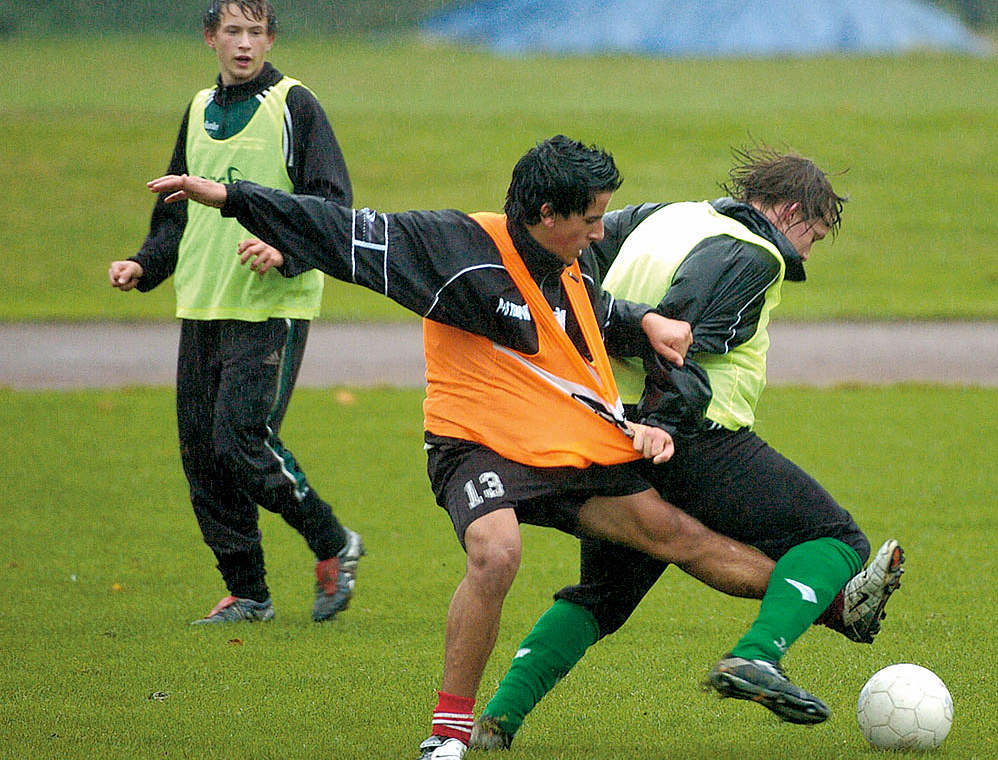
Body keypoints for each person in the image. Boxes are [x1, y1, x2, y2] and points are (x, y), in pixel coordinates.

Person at [143, 135, 801, 760]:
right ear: (547, 213)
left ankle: (826, 599)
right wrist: (232, 198)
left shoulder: (567, 263)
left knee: (675, 534)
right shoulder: (459, 247)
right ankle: (449, 733)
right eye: (592, 220)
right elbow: (342, 230)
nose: (603, 233)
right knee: (497, 553)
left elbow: (590, 313)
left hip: (564, 439)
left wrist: (644, 319)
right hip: (476, 444)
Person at [471, 147, 906, 745]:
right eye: (816, 234)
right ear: (792, 210)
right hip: (689, 436)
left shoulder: (662, 216)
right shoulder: (753, 256)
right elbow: (678, 342)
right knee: (835, 540)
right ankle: (758, 656)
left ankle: (497, 720)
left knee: (604, 594)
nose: (807, 252)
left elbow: (576, 281)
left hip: (606, 430)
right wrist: (669, 429)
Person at [108, 0, 363, 625]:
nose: (244, 44)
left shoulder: (294, 106)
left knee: (240, 439)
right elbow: (174, 207)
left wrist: (284, 249)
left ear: (271, 39)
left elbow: (333, 205)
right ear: (210, 38)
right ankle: (248, 594)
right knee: (202, 454)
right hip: (201, 301)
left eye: (255, 32)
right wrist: (146, 264)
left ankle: (332, 541)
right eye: (232, 31)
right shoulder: (197, 109)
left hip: (271, 307)